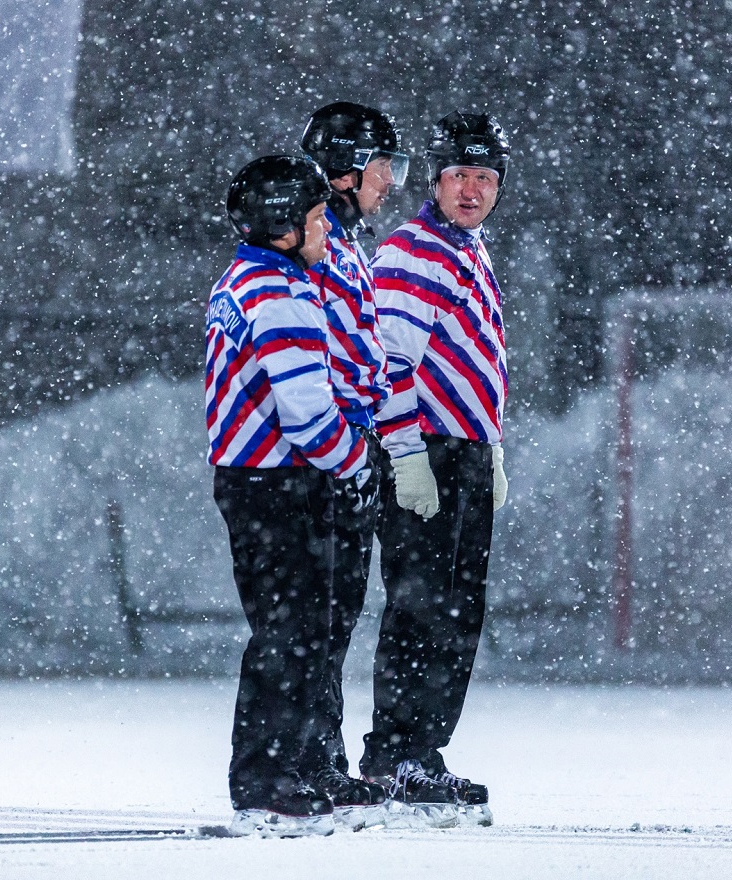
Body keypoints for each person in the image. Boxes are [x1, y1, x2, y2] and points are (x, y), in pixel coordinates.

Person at [206, 154, 370, 838]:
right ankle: (267, 776)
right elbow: (307, 413)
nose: (325, 233)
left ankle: (294, 764)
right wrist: (357, 465)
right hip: (275, 481)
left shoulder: (247, 277)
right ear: (281, 228)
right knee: (292, 632)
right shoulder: (281, 292)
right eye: (312, 221)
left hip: (256, 478)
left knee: (298, 629)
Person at [360, 111, 511, 828]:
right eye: (459, 176)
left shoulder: (469, 248)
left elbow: (472, 357)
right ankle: (395, 753)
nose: (472, 190)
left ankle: (424, 749)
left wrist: (492, 445)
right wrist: (407, 454)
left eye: (485, 178)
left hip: (466, 450)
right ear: (436, 180)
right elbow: (388, 365)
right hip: (428, 452)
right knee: (420, 607)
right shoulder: (417, 251)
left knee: (456, 612)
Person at [296, 101, 409, 825]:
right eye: (380, 168)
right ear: (344, 170)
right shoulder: (319, 246)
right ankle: (310, 764)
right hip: (329, 451)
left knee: (334, 614)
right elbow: (333, 353)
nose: (389, 183)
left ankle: (323, 761)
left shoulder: (340, 240)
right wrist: (348, 444)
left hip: (349, 443)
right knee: (318, 615)